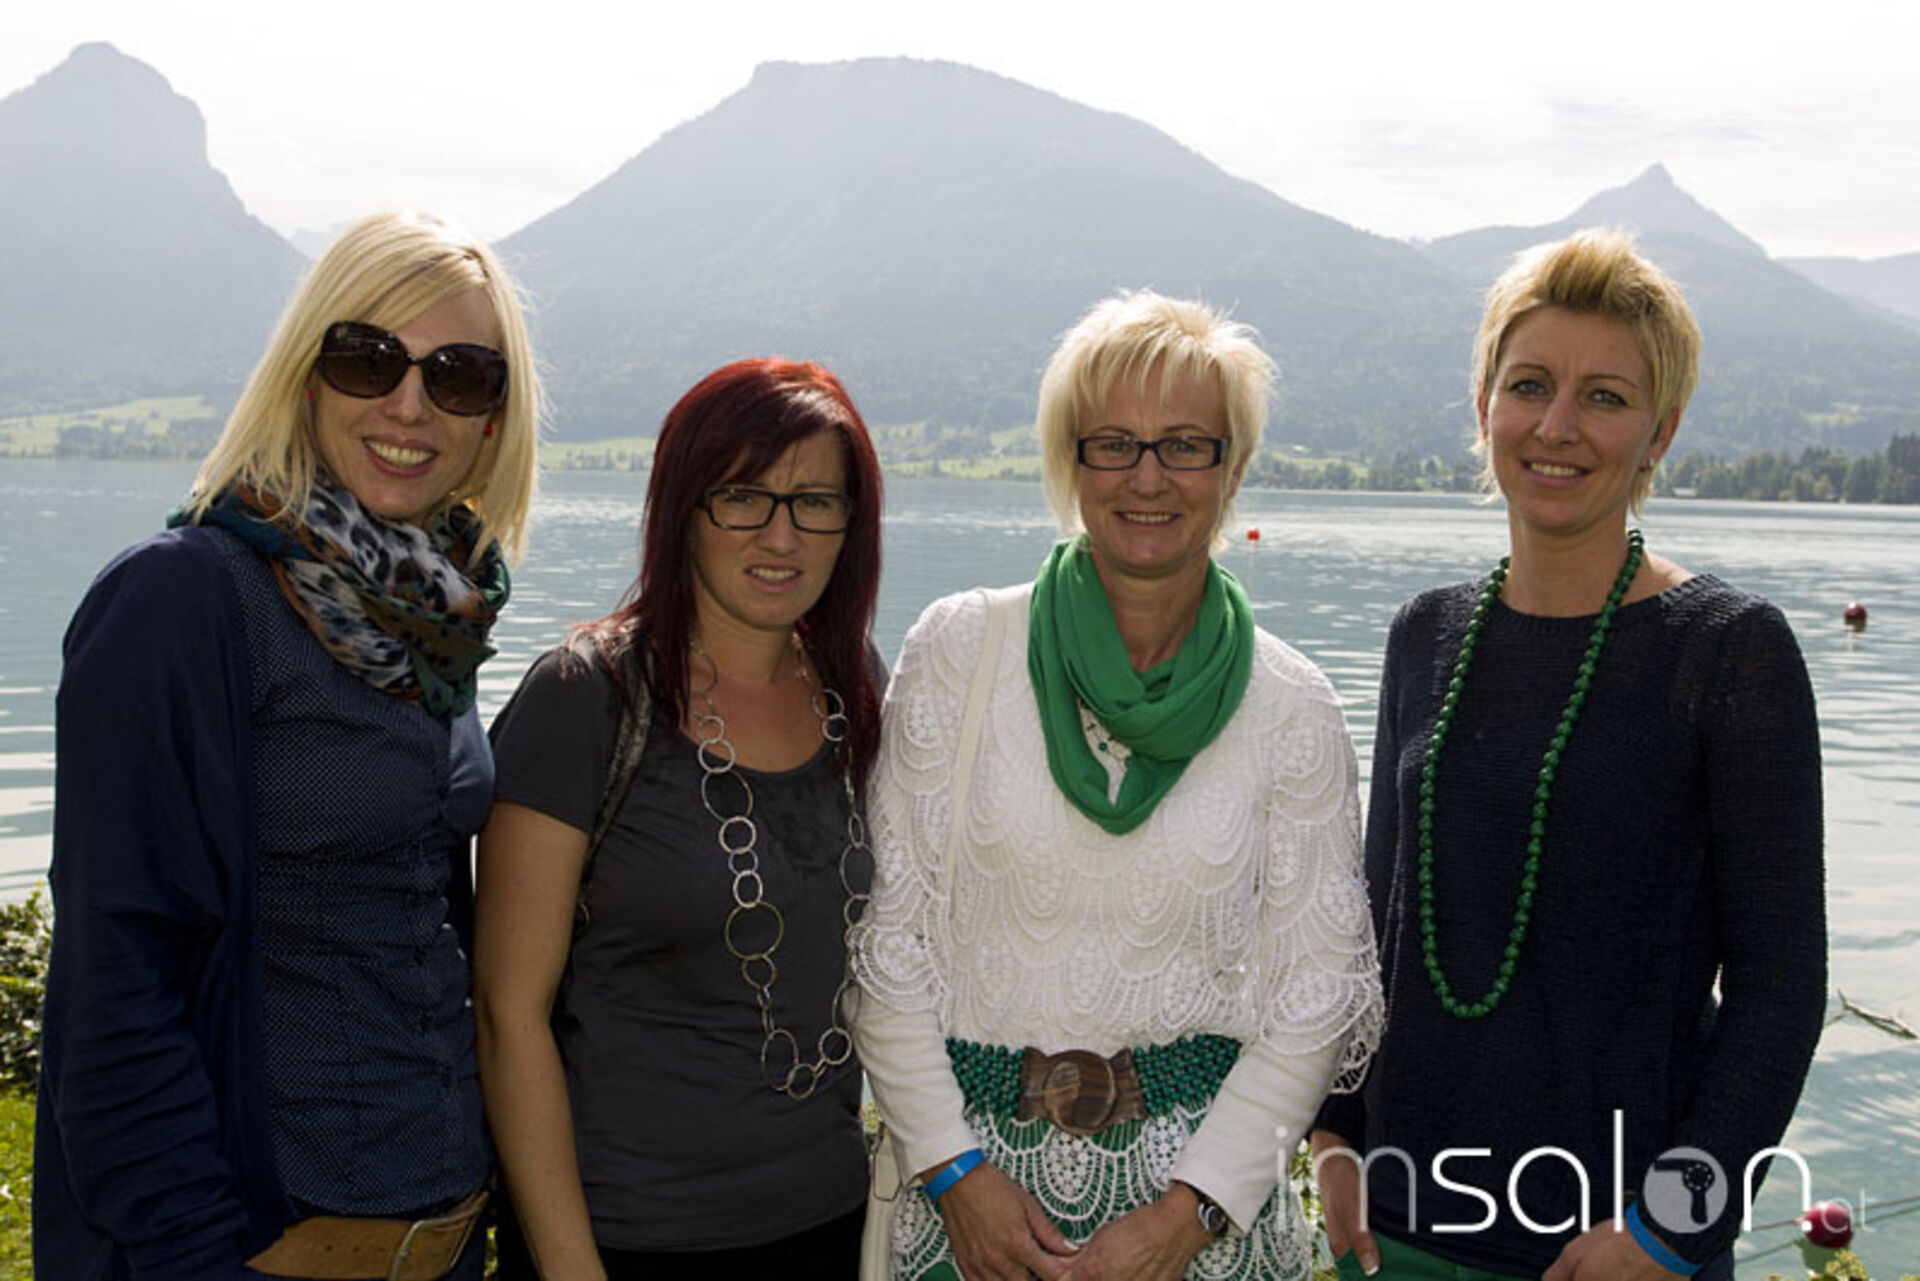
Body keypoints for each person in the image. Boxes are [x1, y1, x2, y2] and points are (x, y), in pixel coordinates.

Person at [34, 210, 541, 1281]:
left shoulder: (434, 617)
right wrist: (192, 1256)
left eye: (458, 376)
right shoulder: (183, 599)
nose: (410, 404)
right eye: (367, 358)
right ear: (307, 375)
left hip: (447, 1240)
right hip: (259, 1250)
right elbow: (114, 993)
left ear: (495, 418)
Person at [1311, 230, 1826, 1281]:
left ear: (1659, 432)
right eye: (1530, 385)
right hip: (1398, 1230)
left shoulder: (1729, 653)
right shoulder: (1424, 634)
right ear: (1483, 407)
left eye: (1605, 397)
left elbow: (1780, 995)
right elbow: (1373, 927)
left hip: (1616, 1246)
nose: (1557, 426)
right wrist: (1332, 1132)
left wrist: (1674, 1228)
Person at [853, 291, 1384, 1281]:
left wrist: (1188, 1216)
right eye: (1114, 444)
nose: (1149, 477)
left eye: (1186, 445)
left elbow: (1314, 998)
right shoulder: (961, 650)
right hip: (969, 1210)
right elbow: (889, 945)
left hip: (1203, 1227)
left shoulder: (1293, 704)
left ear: (1233, 468)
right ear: (1071, 460)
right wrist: (955, 1173)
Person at [475, 358, 885, 1278]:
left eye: (816, 501)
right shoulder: (585, 698)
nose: (781, 534)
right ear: (683, 508)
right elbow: (508, 1014)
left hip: (833, 1222)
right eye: (743, 496)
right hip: (628, 1237)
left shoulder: (854, 686)